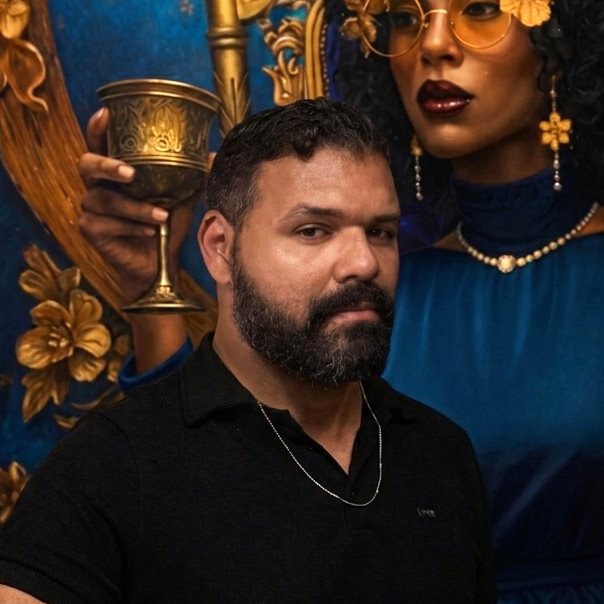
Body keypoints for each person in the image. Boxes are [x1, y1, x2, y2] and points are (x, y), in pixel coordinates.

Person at [71, 0, 604, 601]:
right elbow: (212, 470)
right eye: (405, 18)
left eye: (479, 9)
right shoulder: (365, 293)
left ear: (561, 44)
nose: (433, 45)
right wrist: (152, 281)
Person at [0, 99, 496, 603]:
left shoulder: (440, 452)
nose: (364, 263)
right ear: (220, 247)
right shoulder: (113, 465)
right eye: (313, 230)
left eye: (380, 232)